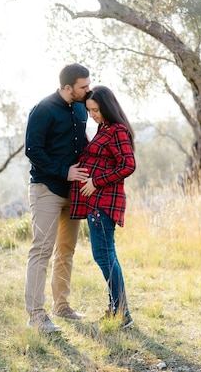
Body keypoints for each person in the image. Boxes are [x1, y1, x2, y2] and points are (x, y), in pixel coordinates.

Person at [24, 63, 92, 333]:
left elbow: (82, 143)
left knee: (66, 251)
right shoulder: (43, 110)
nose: (88, 90)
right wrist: (65, 172)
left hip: (73, 193)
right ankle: (36, 316)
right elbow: (33, 150)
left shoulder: (80, 107)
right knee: (41, 250)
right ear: (67, 88)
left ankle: (61, 306)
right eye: (83, 87)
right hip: (47, 189)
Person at [70, 85, 136, 329]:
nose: (93, 115)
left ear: (107, 107)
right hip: (97, 202)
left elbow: (128, 165)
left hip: (104, 202)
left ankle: (122, 313)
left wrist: (96, 182)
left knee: (103, 255)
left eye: (96, 110)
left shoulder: (117, 130)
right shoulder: (103, 128)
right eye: (89, 111)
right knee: (107, 255)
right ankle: (117, 309)